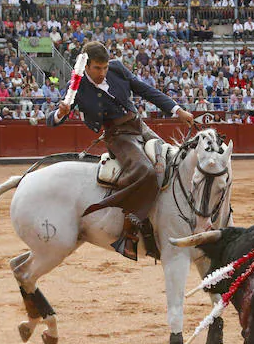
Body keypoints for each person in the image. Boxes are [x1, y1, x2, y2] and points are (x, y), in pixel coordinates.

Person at [46, 41, 194, 260]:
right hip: (118, 136)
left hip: (139, 126)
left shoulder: (117, 68)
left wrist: (176, 109)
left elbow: (145, 89)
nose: (102, 73)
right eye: (97, 68)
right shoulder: (77, 87)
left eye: (105, 68)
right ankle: (130, 226)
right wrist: (61, 112)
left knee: (173, 162)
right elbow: (52, 121)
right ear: (86, 67)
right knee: (145, 171)